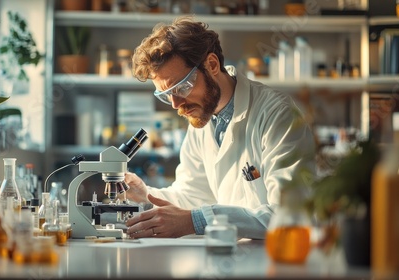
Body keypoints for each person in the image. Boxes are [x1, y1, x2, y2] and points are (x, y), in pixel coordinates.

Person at [124, 16, 316, 239]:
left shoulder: (276, 114)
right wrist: (145, 195)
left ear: (212, 65)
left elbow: (291, 215)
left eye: (182, 87)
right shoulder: (200, 120)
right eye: (167, 95)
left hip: (273, 263)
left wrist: (197, 221)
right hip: (226, 259)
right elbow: (192, 196)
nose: (176, 104)